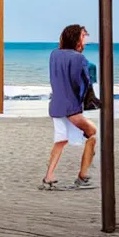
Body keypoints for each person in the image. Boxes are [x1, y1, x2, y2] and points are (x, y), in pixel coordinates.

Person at [42, 24, 97, 189]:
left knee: (60, 140)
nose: (85, 42)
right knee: (93, 134)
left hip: (56, 106)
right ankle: (83, 176)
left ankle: (48, 176)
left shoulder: (54, 54)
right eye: (83, 38)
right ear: (77, 39)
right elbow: (80, 82)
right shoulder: (79, 58)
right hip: (71, 107)